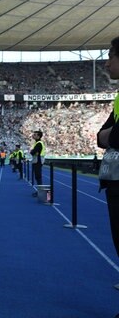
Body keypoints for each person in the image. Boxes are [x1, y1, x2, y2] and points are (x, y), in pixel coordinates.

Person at [96, 36, 119, 302]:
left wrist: (111, 135)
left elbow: (112, 136)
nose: (107, 61)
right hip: (114, 180)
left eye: (111, 55)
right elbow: (101, 135)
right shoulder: (118, 97)